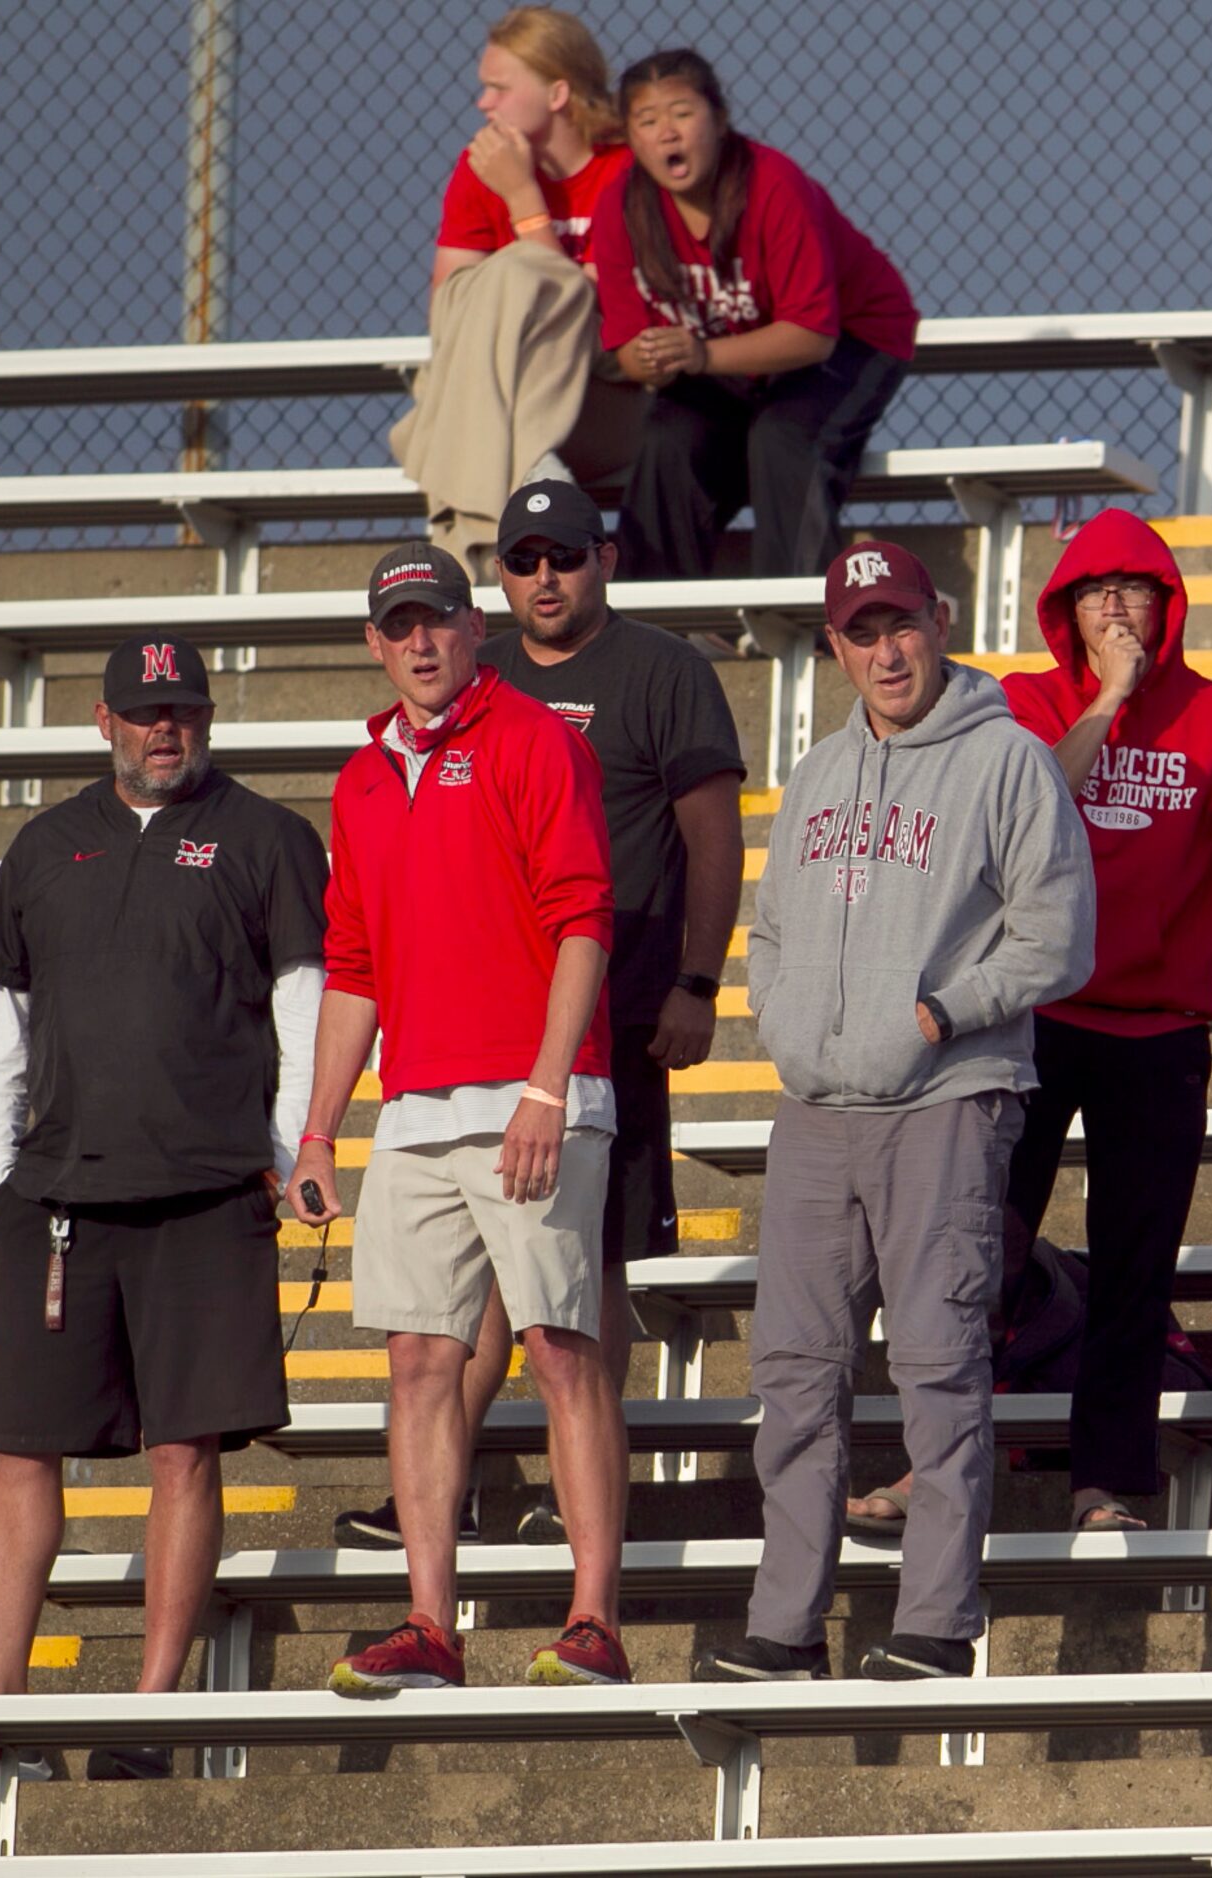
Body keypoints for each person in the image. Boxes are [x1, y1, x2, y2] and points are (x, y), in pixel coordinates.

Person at [844, 508, 1212, 1537]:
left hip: (1161, 1029)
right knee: (975, 1251)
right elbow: (1034, 801)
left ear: (1168, 603)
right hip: (1029, 1019)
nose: (1119, 610)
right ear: (1065, 610)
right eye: (1098, 593)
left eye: (1136, 590)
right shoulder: (1022, 704)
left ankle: (1106, 1485)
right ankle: (937, 1467)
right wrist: (1112, 698)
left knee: (1135, 1271)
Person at [696, 541, 1094, 1682]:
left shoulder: (1008, 759)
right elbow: (769, 932)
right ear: (834, 647)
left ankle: (933, 1620)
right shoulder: (817, 772)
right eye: (861, 632)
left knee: (936, 1363)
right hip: (817, 1109)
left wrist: (948, 1009)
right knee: (794, 1375)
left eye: (901, 625)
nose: (886, 650)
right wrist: (782, 1023)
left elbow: (1058, 935)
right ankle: (786, 1630)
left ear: (941, 620)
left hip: (949, 1101)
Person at [332, 480, 748, 1550]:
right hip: (481, 1036)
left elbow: (712, 838)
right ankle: (442, 1484)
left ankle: (583, 1509)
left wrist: (698, 984)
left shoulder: (662, 669)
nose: (545, 578)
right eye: (524, 560)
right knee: (474, 1293)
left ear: (603, 558)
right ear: (496, 585)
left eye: (564, 555)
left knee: (581, 1279)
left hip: (618, 1016)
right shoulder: (475, 680)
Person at [0, 635, 328, 1777]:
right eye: (143, 712)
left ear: (207, 717)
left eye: (182, 710)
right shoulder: (42, 846)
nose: (164, 729)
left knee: (185, 1451)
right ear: (102, 720)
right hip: (60, 1197)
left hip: (208, 1194)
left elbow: (303, 1008)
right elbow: (3, 1029)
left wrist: (282, 1154)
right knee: (18, 1447)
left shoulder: (269, 838)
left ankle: (149, 1712)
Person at [291, 545, 630, 1692]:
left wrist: (545, 1086)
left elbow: (586, 920)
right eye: (400, 627)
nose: (421, 643)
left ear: (473, 628)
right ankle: (432, 1626)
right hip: (419, 1107)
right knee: (418, 1361)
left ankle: (595, 1622)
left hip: (535, 1095)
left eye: (437, 620)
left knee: (559, 1349)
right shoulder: (359, 778)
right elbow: (353, 966)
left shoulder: (537, 739)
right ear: (375, 644)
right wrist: (319, 1132)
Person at [590, 48, 918, 578]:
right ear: (630, 137)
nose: (667, 133)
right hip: (723, 358)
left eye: (682, 112)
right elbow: (626, 349)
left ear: (719, 120)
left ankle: (805, 618)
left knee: (784, 436)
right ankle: (658, 627)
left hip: (854, 338)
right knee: (669, 439)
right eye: (647, 121)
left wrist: (698, 352)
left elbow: (812, 335)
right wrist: (651, 358)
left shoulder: (772, 184)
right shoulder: (622, 206)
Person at [392, 6, 640, 574]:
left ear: (557, 92)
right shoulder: (478, 167)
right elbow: (448, 314)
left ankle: (479, 542)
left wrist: (525, 201)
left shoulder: (625, 170)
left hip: (607, 401)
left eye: (498, 87)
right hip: (514, 405)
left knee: (517, 273)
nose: (484, 102)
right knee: (500, 283)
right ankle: (535, 474)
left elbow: (606, 321)